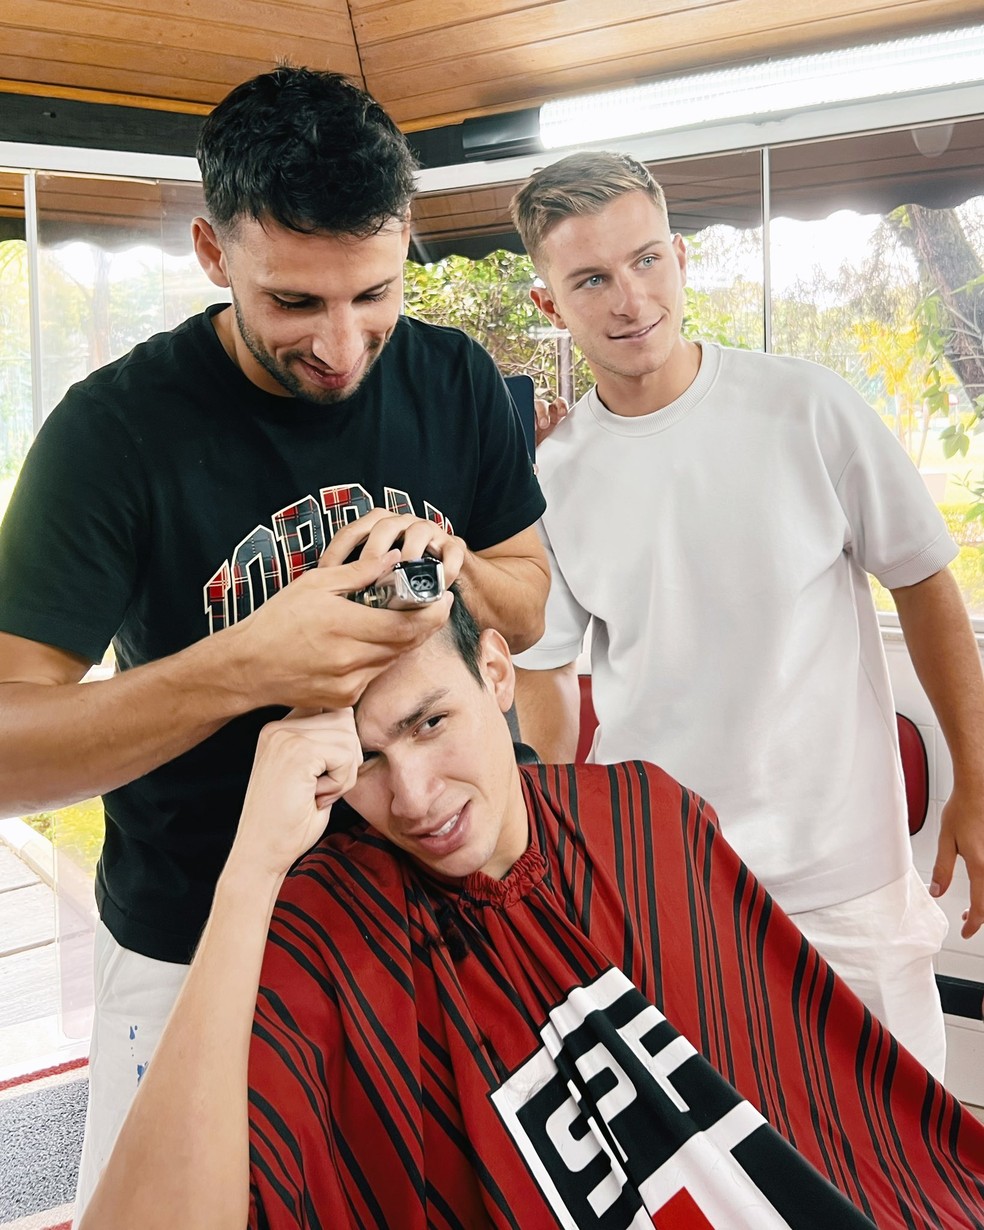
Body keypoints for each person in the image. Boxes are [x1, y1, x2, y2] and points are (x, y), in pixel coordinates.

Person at [0, 66, 548, 1210]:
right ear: (213, 251)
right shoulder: (112, 434)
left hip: (427, 913)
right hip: (194, 941)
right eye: (297, 303)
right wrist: (249, 663)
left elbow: (531, 600)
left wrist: (459, 569)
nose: (345, 346)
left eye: (376, 294)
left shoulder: (449, 379)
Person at [79, 590, 984, 1230]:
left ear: (497, 671)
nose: (417, 798)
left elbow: (808, 1094)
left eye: (430, 722)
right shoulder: (325, 928)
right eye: (363, 760)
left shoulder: (643, 817)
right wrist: (250, 866)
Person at [508, 151, 984, 1081]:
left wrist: (977, 773)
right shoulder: (552, 479)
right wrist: (554, 851)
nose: (629, 298)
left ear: (681, 258)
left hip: (847, 880)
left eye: (646, 260)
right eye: (591, 279)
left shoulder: (807, 407)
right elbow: (545, 679)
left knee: (904, 1168)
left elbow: (925, 580)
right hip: (664, 884)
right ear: (549, 305)